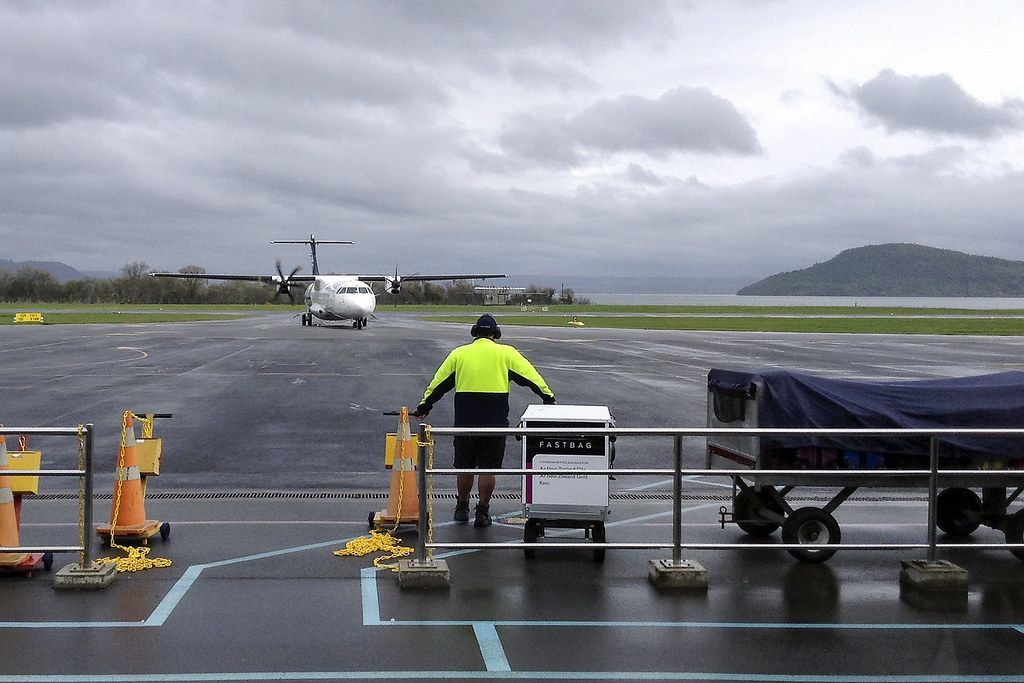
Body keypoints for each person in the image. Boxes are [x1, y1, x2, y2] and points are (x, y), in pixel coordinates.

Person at [412, 314, 555, 527]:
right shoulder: (507, 353)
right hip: (494, 420)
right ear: (495, 334)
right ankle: (483, 511)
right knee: (488, 469)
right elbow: (531, 377)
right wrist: (548, 398)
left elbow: (438, 384)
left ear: (474, 332)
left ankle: (461, 508)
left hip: (465, 419)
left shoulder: (459, 354)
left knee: (465, 467)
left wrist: (425, 406)